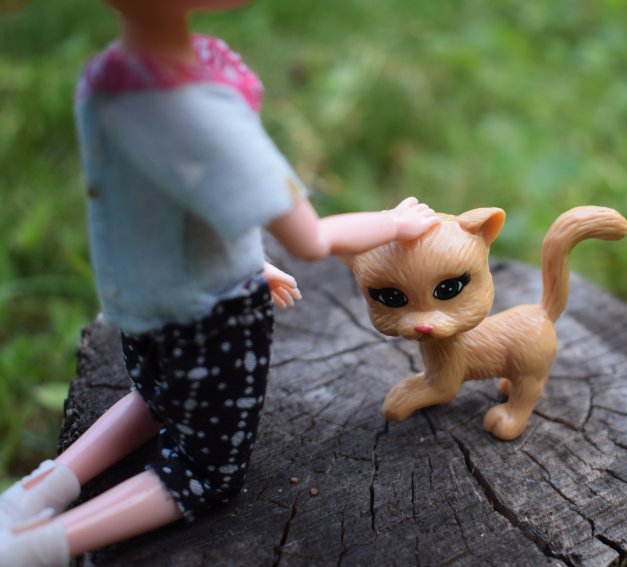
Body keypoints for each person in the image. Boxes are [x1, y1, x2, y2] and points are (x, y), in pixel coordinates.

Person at [0, 1, 437, 565]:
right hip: (209, 316)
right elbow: (308, 237)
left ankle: (34, 492)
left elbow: (171, 204)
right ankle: (34, 545)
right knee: (205, 471)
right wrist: (393, 223)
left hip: (144, 297)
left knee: (156, 397)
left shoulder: (111, 77)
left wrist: (246, 261)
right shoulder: (200, 106)